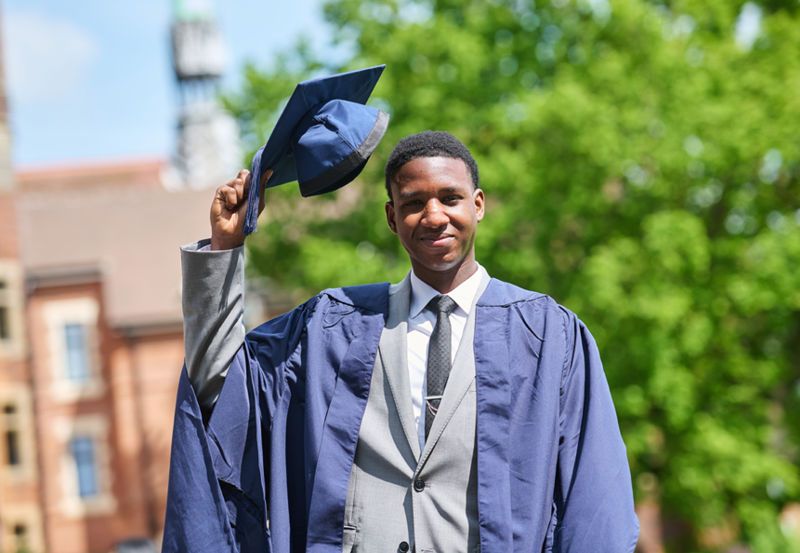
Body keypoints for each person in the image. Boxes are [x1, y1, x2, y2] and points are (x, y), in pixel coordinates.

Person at [163, 131, 640, 553]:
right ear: (392, 217)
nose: (434, 216)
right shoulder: (330, 329)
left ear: (477, 204)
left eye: (450, 198)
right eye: (414, 203)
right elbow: (220, 387)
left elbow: (596, 501)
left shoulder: (549, 336)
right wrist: (225, 252)